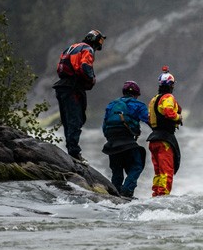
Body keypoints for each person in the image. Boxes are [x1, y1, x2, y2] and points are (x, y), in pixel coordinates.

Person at [53, 29, 105, 160]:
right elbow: (85, 67)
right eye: (99, 41)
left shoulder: (71, 47)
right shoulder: (87, 49)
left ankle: (71, 149)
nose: (99, 45)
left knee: (67, 120)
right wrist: (91, 79)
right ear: (94, 40)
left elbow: (59, 68)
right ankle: (74, 152)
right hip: (73, 87)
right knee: (76, 119)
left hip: (62, 86)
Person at [101, 80, 149, 198]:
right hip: (128, 140)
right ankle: (126, 192)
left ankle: (115, 193)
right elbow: (150, 121)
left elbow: (104, 126)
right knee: (137, 165)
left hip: (112, 142)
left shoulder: (111, 105)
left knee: (117, 170)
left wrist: (111, 140)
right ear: (136, 94)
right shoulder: (138, 105)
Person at [146, 67, 183, 197]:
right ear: (171, 85)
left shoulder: (154, 99)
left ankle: (156, 195)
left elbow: (149, 118)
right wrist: (178, 117)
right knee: (166, 171)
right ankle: (163, 197)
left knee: (158, 172)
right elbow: (168, 112)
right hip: (165, 140)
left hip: (154, 140)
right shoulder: (168, 97)